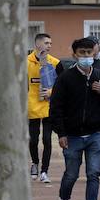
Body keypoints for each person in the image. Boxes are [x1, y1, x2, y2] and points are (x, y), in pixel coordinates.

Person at [49, 37, 100, 200]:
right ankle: (64, 199)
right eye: (82, 53)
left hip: (95, 134)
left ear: (94, 54)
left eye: (89, 53)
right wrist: (61, 133)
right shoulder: (66, 78)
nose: (86, 56)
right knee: (71, 174)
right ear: (75, 55)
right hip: (72, 136)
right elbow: (56, 107)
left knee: (93, 174)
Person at [27, 33, 59, 183]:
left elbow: (62, 85)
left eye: (50, 43)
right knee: (33, 140)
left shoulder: (55, 63)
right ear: (37, 44)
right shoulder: (26, 62)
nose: (49, 46)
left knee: (47, 139)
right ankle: (34, 163)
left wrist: (51, 92)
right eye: (46, 43)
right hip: (32, 107)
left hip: (48, 107)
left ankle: (44, 171)